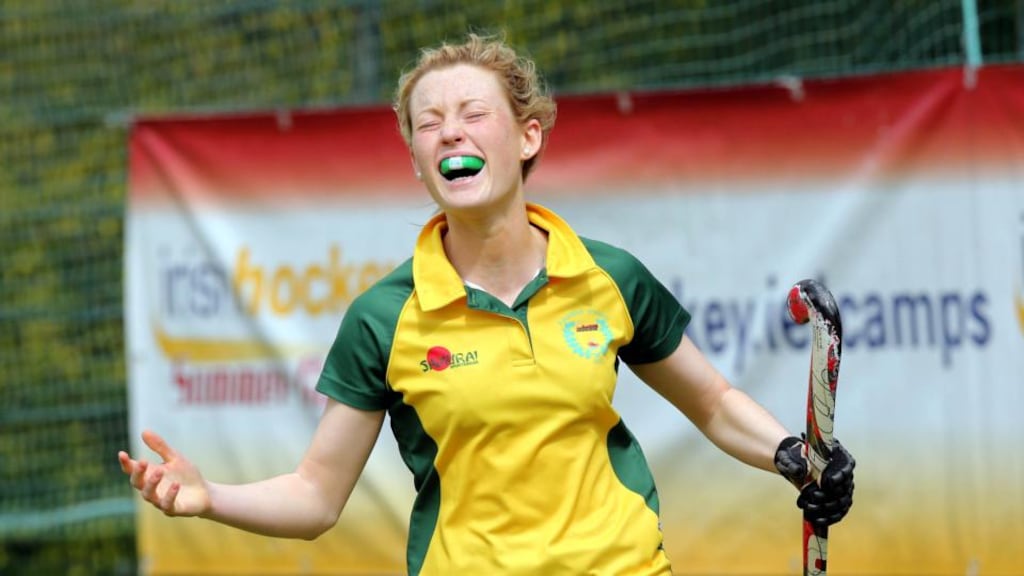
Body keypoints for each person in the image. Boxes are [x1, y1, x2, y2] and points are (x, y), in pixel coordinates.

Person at [118, 33, 855, 575]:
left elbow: (715, 404)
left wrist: (795, 458)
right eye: (429, 123)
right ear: (417, 161)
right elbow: (316, 496)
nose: (450, 132)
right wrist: (210, 497)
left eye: (473, 113)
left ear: (528, 136)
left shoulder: (610, 276)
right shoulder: (384, 317)